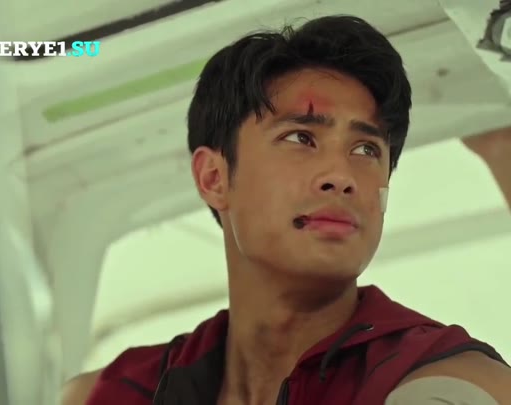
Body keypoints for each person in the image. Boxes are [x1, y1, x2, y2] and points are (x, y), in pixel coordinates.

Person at [62, 15, 511, 405]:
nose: (342, 175)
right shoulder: (109, 394)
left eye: (366, 149)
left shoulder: (448, 381)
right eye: (301, 138)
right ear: (214, 177)